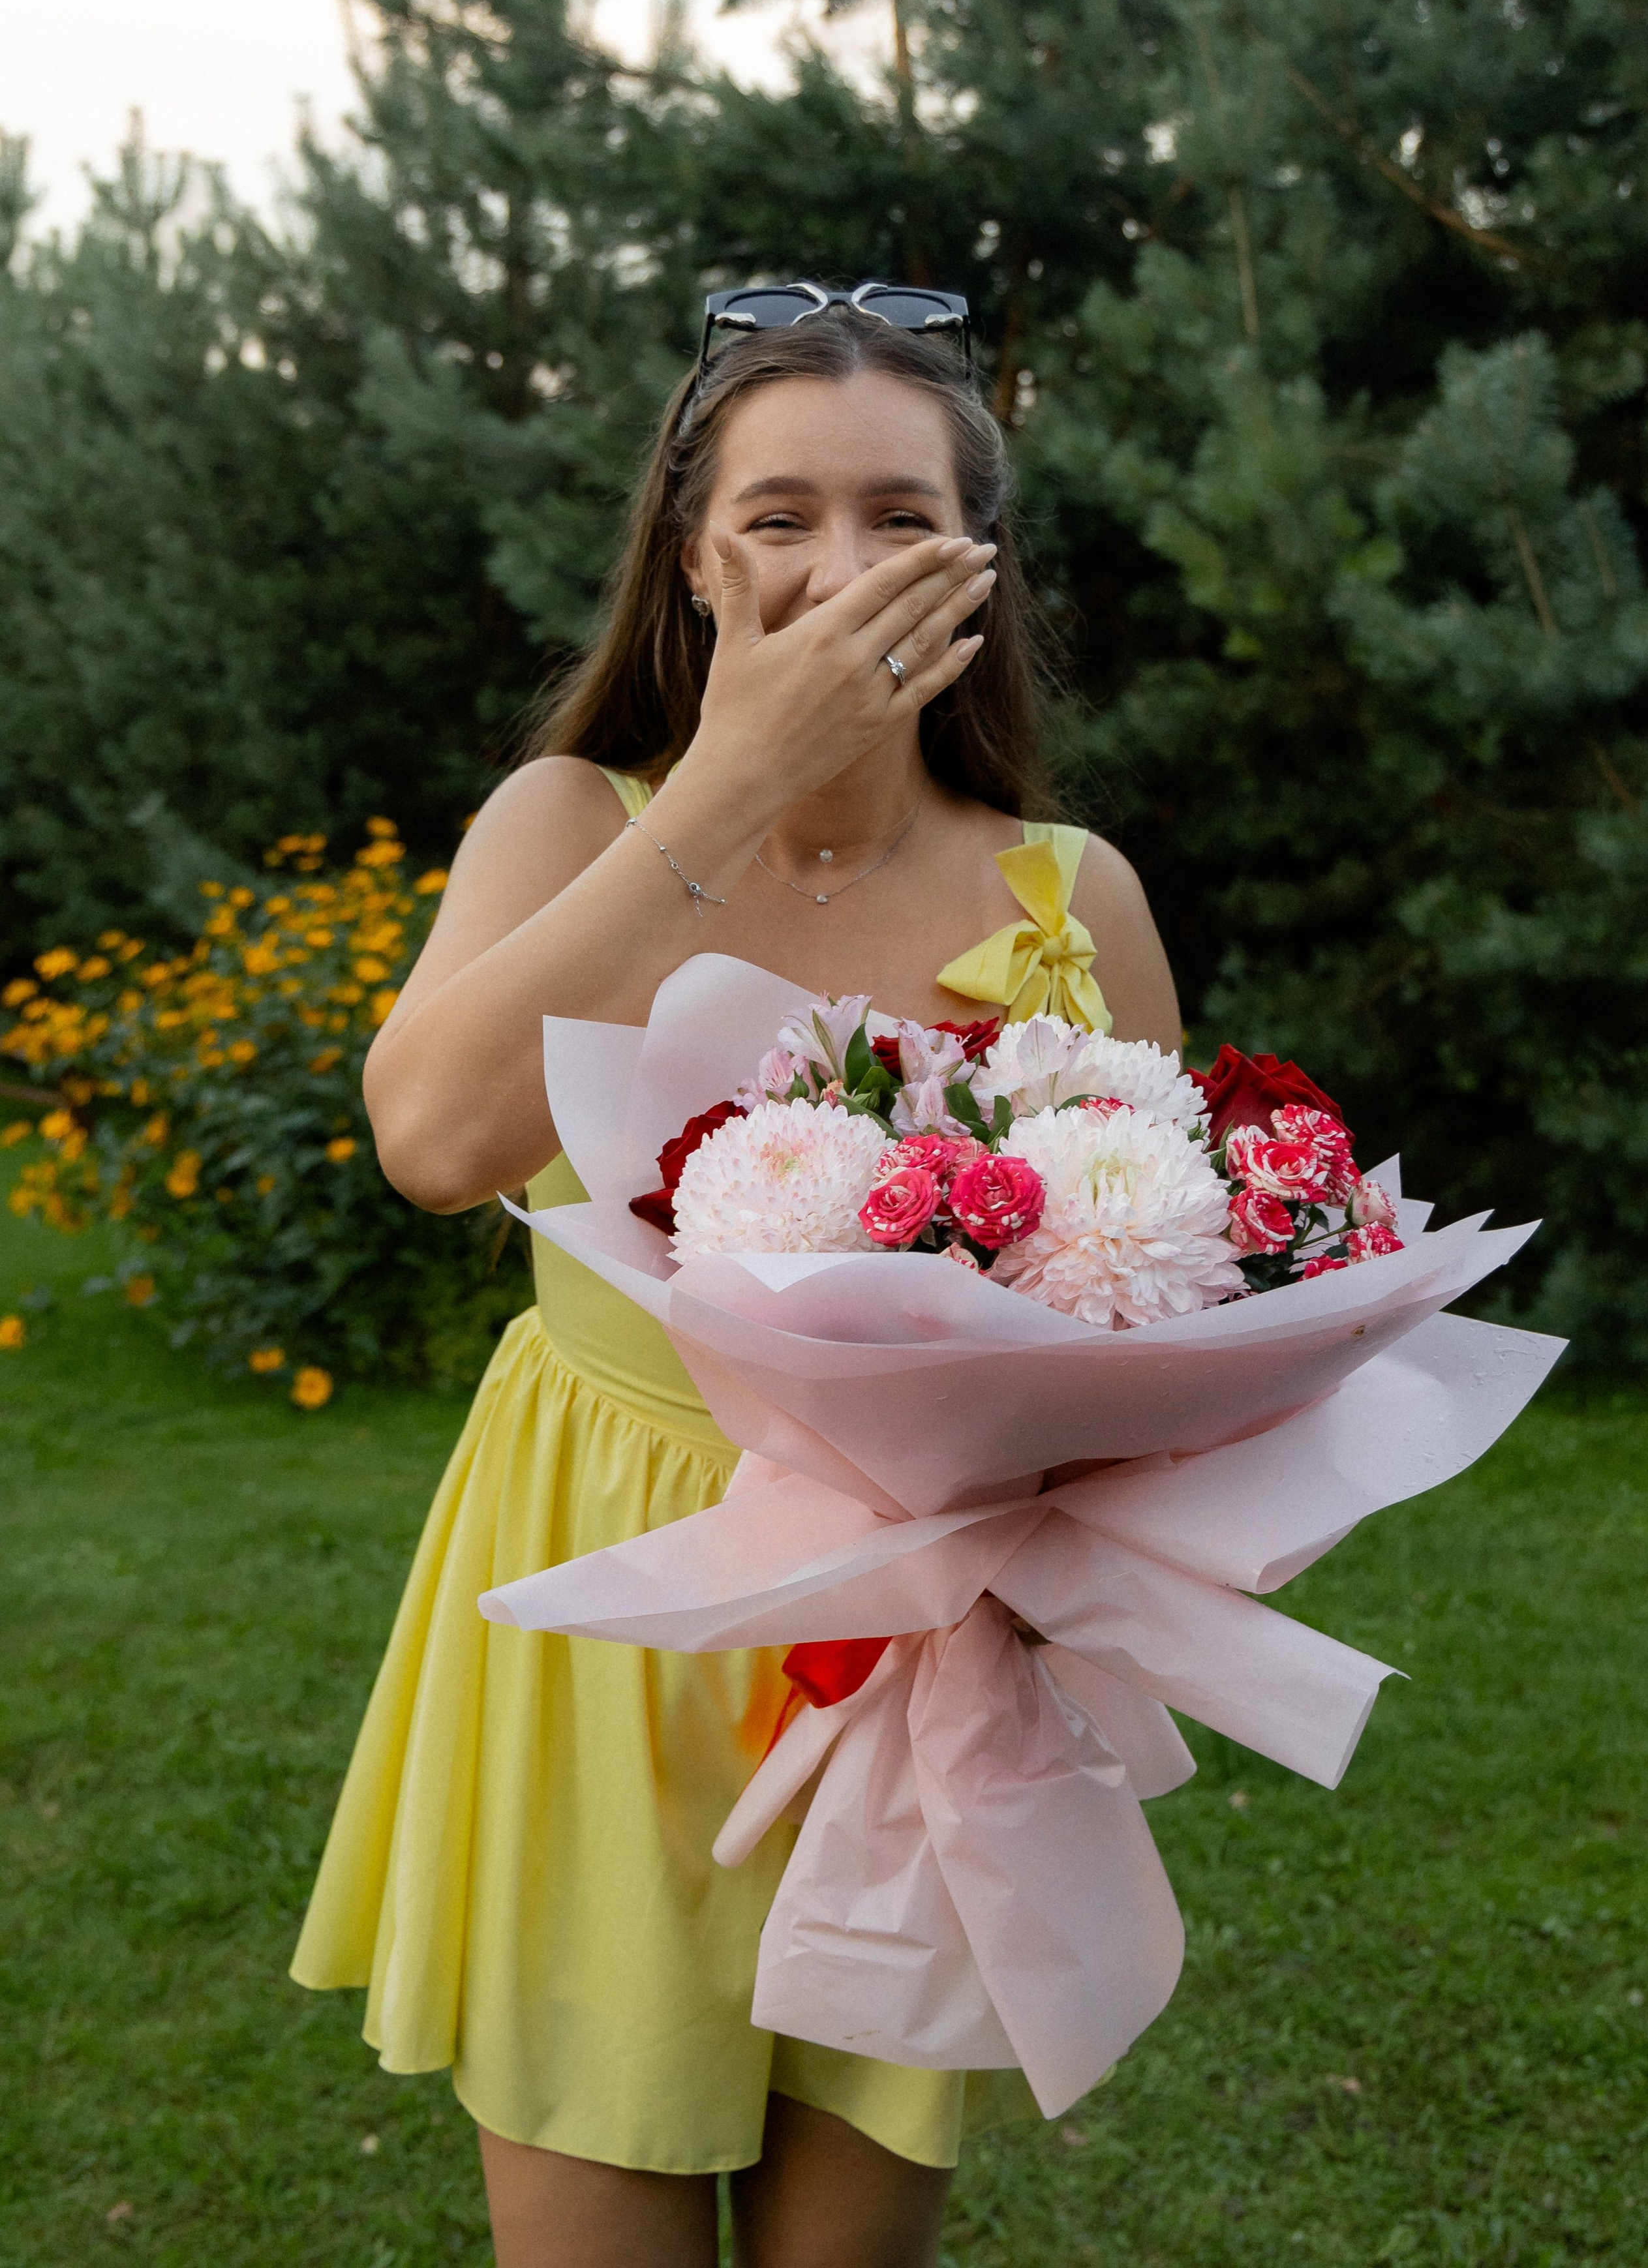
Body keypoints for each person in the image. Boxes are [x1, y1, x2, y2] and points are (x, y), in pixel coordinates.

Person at [291, 282, 1183, 2268]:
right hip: (600, 1616)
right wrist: (736, 781)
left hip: (914, 1665)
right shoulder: (565, 823)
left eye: (898, 515)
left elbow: (1151, 1317)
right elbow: (431, 1143)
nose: (837, 566)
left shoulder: (1073, 896)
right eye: (778, 517)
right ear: (694, 562)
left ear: (975, 562)